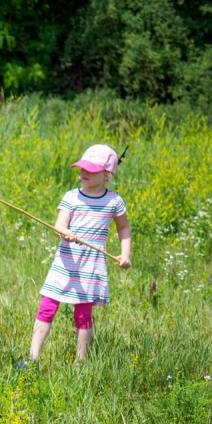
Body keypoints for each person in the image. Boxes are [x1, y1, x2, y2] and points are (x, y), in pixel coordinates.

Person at [26, 144, 132, 363]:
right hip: (65, 262)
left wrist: (125, 254)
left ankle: (81, 362)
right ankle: (33, 358)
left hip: (90, 267)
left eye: (90, 169)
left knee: (83, 313)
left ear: (106, 174)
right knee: (47, 306)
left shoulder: (113, 201)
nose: (83, 172)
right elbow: (59, 225)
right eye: (82, 167)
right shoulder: (72, 197)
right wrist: (65, 233)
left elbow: (124, 228)